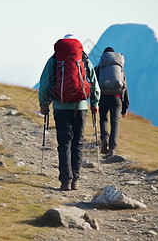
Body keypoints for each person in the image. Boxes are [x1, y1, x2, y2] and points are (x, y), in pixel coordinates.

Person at [39, 34, 100, 191]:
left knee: (64, 143)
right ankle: (76, 180)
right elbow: (94, 82)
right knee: (77, 143)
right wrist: (95, 103)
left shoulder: (54, 60)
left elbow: (45, 83)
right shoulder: (84, 60)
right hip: (80, 107)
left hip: (60, 107)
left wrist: (44, 105)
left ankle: (66, 181)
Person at [95, 47, 129, 157]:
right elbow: (125, 88)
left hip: (103, 97)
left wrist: (94, 102)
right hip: (117, 98)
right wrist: (125, 108)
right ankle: (112, 149)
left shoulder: (99, 68)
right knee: (115, 123)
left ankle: (104, 140)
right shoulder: (120, 69)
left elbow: (94, 86)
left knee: (103, 120)